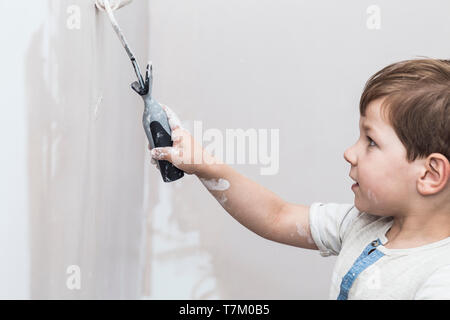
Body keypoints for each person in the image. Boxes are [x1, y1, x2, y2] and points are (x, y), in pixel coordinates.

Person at [148, 58, 450, 300]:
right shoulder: (362, 223)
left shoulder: (440, 279)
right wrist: (203, 165)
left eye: (370, 141)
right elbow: (276, 216)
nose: (350, 153)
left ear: (430, 174)